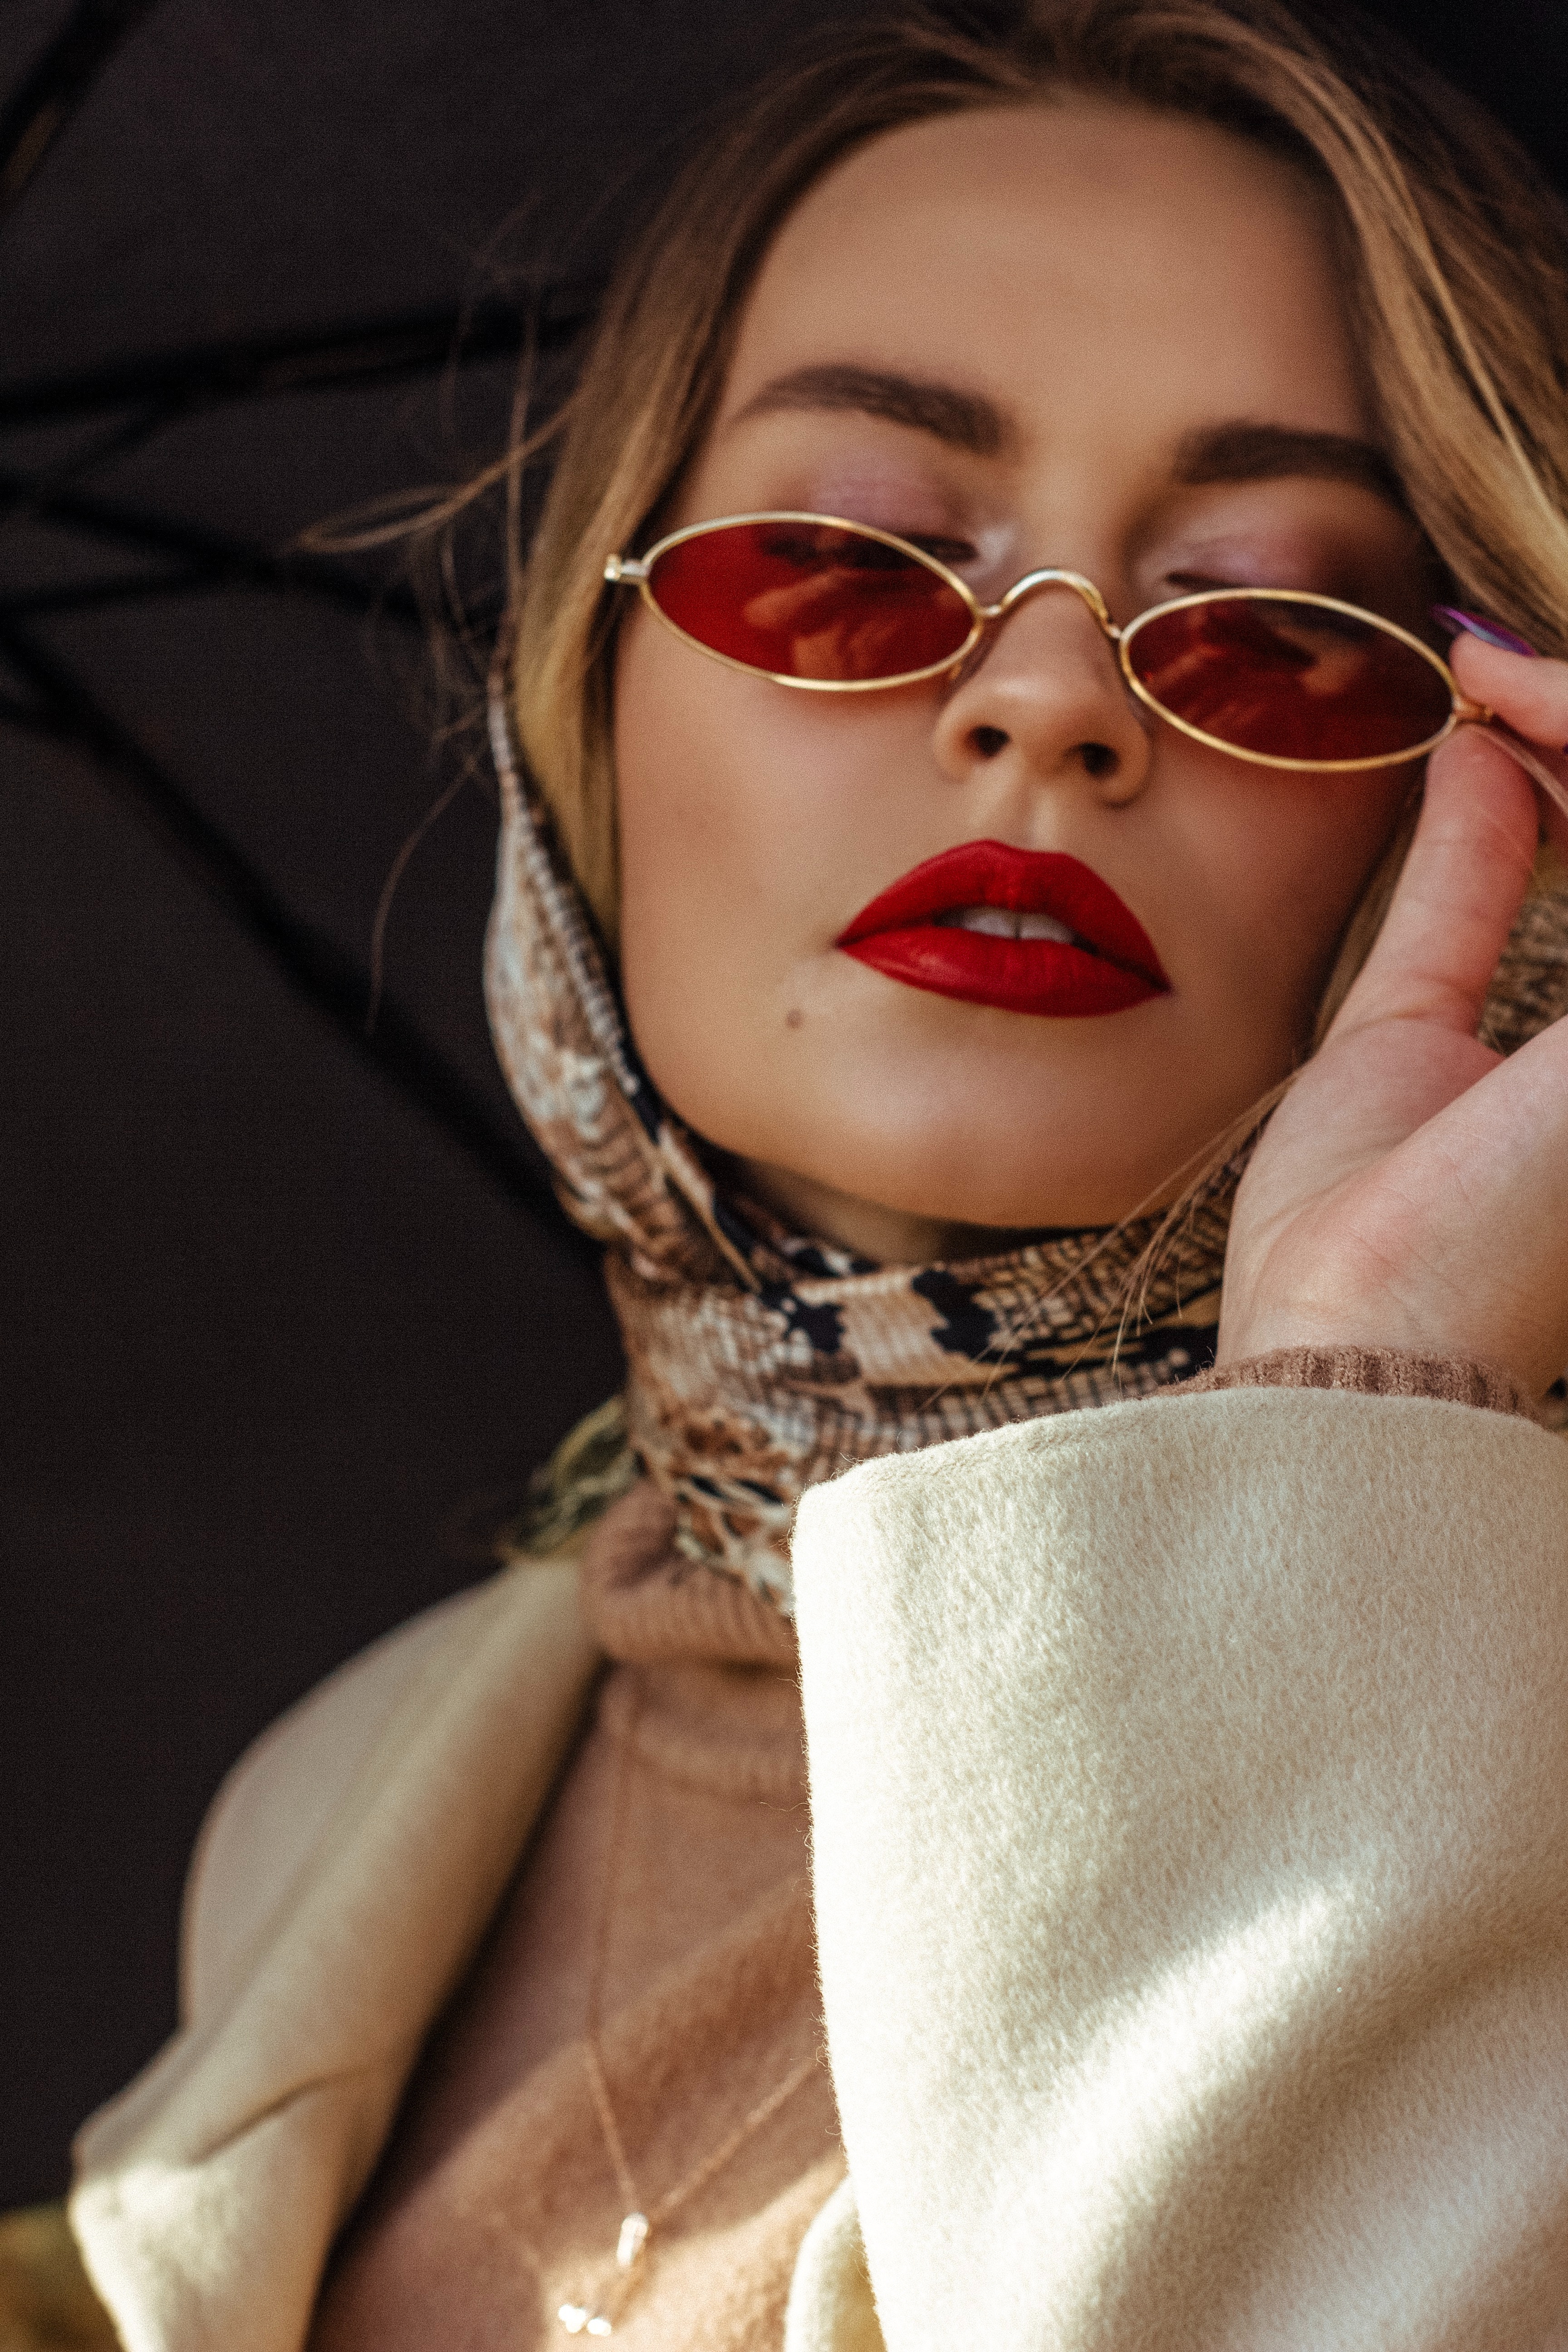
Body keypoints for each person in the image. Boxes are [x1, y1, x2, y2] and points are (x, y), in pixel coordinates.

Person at [11, 0, 1568, 2342]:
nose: (1047, 701)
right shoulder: (321, 1817)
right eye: (846, 566)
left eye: (1272, 632)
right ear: (593, 693)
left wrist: (1353, 1409)